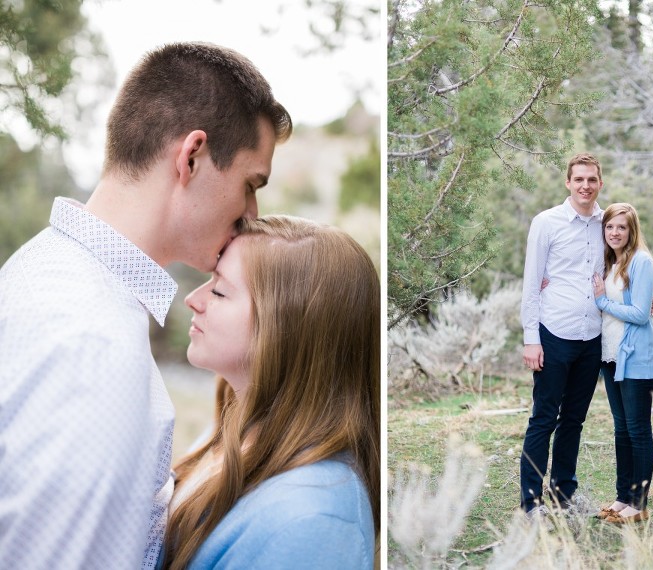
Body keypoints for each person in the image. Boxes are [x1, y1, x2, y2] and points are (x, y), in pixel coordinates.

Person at [0, 42, 291, 569]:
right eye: (251, 184)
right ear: (192, 156)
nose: (252, 213)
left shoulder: (39, 270)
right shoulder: (95, 347)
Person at [159, 215, 380, 569]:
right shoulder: (228, 434)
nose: (192, 299)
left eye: (218, 290)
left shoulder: (314, 523)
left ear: (284, 327)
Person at [519, 153, 605, 516]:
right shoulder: (547, 223)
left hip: (592, 336)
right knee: (544, 417)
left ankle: (563, 495)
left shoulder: (608, 221)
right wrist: (531, 337)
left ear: (600, 182)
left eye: (592, 179)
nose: (585, 185)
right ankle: (531, 503)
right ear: (568, 183)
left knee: (574, 419)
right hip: (554, 333)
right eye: (579, 179)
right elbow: (532, 282)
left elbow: (624, 264)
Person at [592, 203, 653, 524]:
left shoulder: (641, 262)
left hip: (637, 358)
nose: (615, 233)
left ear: (632, 231)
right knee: (621, 430)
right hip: (610, 357)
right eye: (610, 227)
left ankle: (639, 504)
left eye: (622, 227)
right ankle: (623, 498)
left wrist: (603, 300)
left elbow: (640, 313)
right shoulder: (612, 262)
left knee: (638, 430)